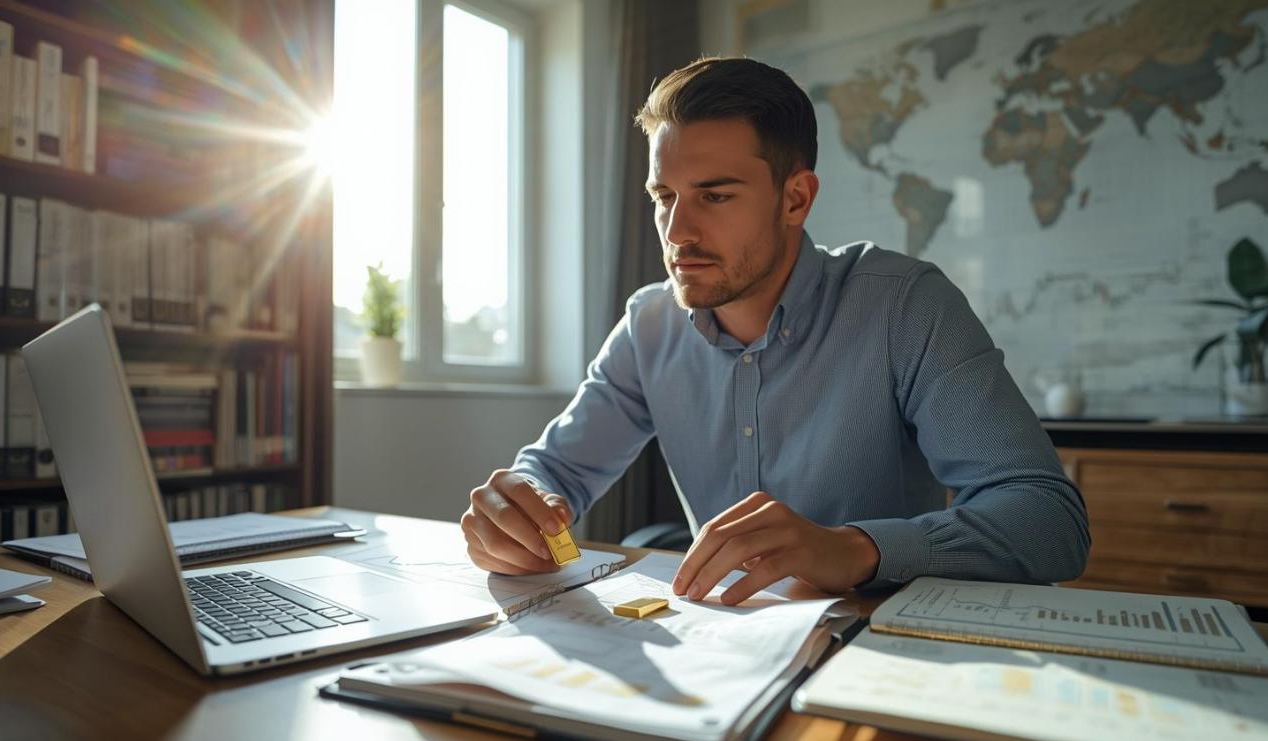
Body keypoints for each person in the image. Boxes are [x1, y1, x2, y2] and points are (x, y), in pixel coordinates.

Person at [460, 56, 1089, 605]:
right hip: (727, 650)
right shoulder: (649, 325)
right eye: (664, 197)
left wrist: (855, 549)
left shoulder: (903, 304)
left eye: (715, 196)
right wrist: (519, 508)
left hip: (878, 647)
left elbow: (1049, 521)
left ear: (796, 198)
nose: (677, 233)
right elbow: (554, 475)